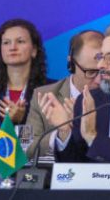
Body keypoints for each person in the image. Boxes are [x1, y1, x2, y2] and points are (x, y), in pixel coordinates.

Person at [45, 23, 110, 163]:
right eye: (101, 57)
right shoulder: (88, 102)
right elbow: (73, 169)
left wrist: (92, 136)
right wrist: (65, 130)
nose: (100, 65)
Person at [26, 30, 103, 158]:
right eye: (91, 72)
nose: (99, 80)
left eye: (103, 71)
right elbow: (26, 147)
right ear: (71, 64)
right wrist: (62, 131)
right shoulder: (44, 95)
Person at [0, 19, 54, 124]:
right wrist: (7, 122)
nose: (12, 47)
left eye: (20, 41)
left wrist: (23, 119)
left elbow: (51, 134)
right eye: (6, 42)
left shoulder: (51, 90)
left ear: (34, 50)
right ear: (0, 50)